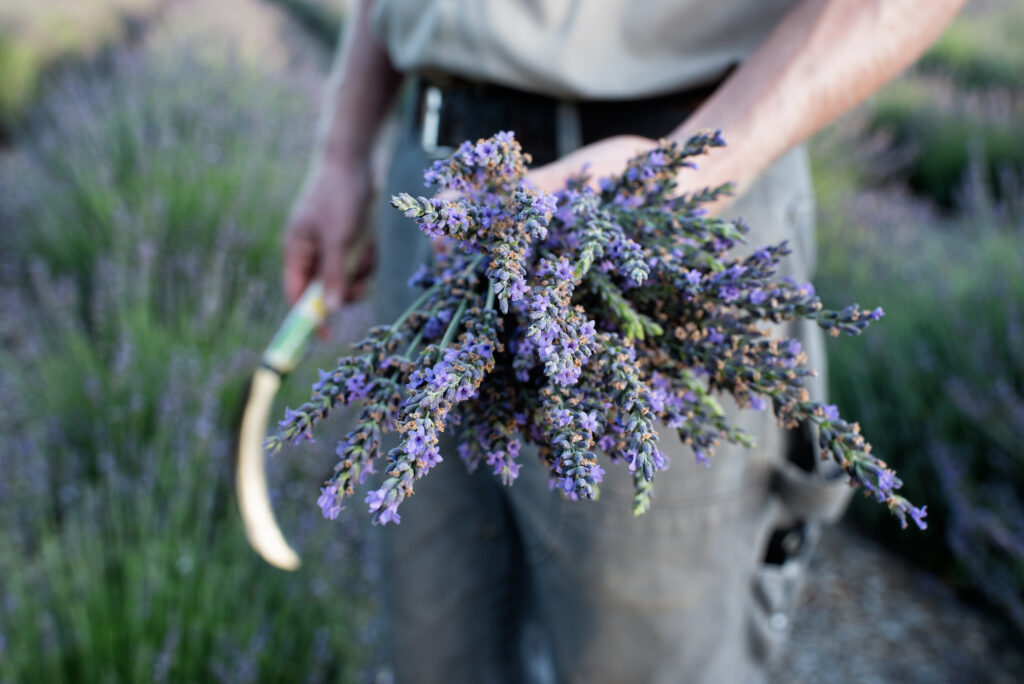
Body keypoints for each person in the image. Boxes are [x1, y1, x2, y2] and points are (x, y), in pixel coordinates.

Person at [282, 2, 964, 682]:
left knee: (644, 654)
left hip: (661, 190)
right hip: (440, 193)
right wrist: (342, 150)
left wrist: (685, 171)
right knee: (435, 644)